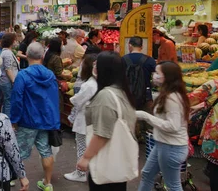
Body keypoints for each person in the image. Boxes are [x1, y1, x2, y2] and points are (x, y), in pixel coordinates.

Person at [76, 51, 137, 191]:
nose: (94, 67)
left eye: (97, 65)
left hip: (105, 161)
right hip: (118, 162)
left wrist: (86, 157)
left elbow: (102, 134)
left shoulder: (105, 96)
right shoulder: (122, 92)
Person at [11, 42, 59, 191]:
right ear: (43, 56)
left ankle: (14, 178)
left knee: (18, 151)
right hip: (46, 120)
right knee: (46, 151)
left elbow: (17, 99)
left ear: (27, 55)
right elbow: (54, 98)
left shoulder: (23, 75)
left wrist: (14, 120)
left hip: (28, 120)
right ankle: (47, 183)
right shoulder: (50, 75)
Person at [137, 61, 190, 191]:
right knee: (147, 174)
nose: (154, 75)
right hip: (164, 144)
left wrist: (146, 116)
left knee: (173, 184)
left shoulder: (171, 98)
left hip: (171, 147)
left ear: (168, 77)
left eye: (157, 73)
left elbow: (173, 126)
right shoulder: (170, 95)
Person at [64, 54, 98, 182]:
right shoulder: (94, 83)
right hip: (90, 119)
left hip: (84, 119)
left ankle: (81, 172)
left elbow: (77, 100)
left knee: (82, 146)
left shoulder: (89, 85)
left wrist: (73, 99)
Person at [0, 33, 19, 116]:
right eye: (15, 40)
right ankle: (7, 121)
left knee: (7, 101)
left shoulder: (6, 52)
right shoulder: (7, 53)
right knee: (9, 102)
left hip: (6, 81)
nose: (16, 42)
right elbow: (8, 69)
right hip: (8, 81)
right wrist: (14, 81)